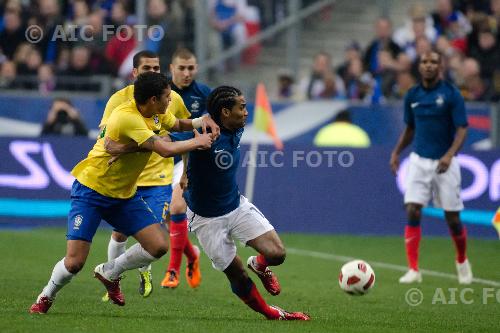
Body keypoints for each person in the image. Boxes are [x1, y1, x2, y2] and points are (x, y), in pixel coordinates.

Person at [29, 72, 215, 314]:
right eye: (167, 97)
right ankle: (46, 295)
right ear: (151, 100)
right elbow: (165, 149)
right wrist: (197, 142)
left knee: (158, 246)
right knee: (74, 263)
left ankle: (110, 271)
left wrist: (202, 121)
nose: (171, 100)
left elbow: (178, 124)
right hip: (92, 191)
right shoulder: (127, 117)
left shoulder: (156, 112)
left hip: (124, 196)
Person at [169, 86, 310, 320]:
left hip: (236, 206)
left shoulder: (235, 127)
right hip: (205, 219)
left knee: (277, 254)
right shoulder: (204, 132)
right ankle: (272, 314)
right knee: (237, 275)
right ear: (225, 112)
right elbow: (166, 140)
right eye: (242, 107)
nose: (246, 112)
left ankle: (260, 265)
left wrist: (185, 171)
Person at [100, 50, 199, 299]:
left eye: (156, 68)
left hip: (158, 178)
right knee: (119, 233)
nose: (153, 73)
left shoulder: (172, 98)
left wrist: (186, 172)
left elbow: (185, 131)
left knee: (151, 232)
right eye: (147, 69)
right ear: (134, 73)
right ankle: (115, 280)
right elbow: (106, 140)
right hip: (127, 177)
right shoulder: (117, 101)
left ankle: (143, 268)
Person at [390, 50, 472, 285]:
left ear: (440, 66)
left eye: (433, 62)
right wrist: (396, 152)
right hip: (418, 160)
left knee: (452, 218)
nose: (428, 65)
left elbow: (462, 128)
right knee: (413, 210)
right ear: (420, 66)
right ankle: (413, 269)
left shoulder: (451, 94)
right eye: (425, 61)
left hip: (445, 163)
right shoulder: (412, 95)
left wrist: (449, 155)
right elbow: (410, 129)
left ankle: (461, 260)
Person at [161, 48, 212, 289]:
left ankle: (173, 271)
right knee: (164, 218)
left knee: (177, 205)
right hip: (159, 159)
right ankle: (192, 255)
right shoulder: (161, 93)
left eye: (191, 68)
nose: (186, 73)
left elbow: (211, 129)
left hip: (189, 159)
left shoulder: (203, 95)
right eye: (181, 68)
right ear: (171, 69)